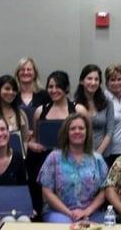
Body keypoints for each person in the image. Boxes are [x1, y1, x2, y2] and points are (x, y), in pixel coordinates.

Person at [37, 113, 108, 230]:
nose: (77, 131)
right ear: (66, 132)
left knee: (100, 229)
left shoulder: (97, 159)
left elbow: (105, 190)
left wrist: (87, 211)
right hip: (59, 210)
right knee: (62, 227)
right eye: (73, 128)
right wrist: (69, 213)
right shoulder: (54, 157)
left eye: (81, 128)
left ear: (87, 132)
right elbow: (46, 191)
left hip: (90, 210)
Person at [28, 71, 87, 217]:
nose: (54, 90)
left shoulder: (78, 110)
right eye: (50, 87)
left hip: (70, 163)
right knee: (43, 201)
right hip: (44, 162)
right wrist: (32, 144)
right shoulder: (40, 111)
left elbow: (87, 138)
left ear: (66, 88)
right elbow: (34, 138)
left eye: (58, 86)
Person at [74, 64, 114, 154]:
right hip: (80, 153)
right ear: (81, 81)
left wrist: (98, 153)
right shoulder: (74, 104)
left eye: (96, 79)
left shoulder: (107, 102)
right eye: (89, 78)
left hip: (102, 154)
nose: (93, 82)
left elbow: (110, 131)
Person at [104, 64, 121, 167]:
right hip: (108, 152)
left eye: (119, 79)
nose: (116, 83)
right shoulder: (104, 100)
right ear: (107, 83)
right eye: (112, 80)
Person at [13, 57, 50, 130]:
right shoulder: (11, 94)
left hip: (39, 137)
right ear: (17, 73)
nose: (25, 72)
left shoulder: (45, 95)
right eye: (22, 70)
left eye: (29, 69)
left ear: (35, 73)